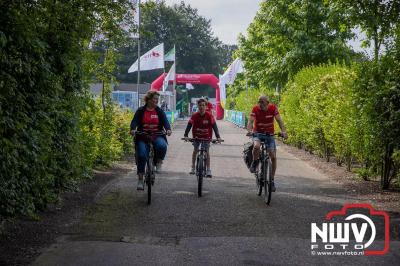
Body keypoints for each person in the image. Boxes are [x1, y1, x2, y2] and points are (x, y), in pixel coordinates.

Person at [130, 91, 172, 190]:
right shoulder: (141, 110)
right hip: (143, 136)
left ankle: (158, 163)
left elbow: (165, 121)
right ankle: (140, 180)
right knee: (141, 155)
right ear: (148, 99)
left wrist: (168, 129)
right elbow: (134, 121)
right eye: (154, 99)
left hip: (157, 135)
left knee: (162, 146)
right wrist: (133, 129)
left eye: (157, 99)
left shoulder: (159, 111)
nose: (156, 101)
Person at [247, 95, 287, 192]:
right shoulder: (255, 109)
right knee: (256, 146)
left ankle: (272, 180)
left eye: (262, 102)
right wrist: (249, 130)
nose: (260, 104)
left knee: (273, 156)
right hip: (258, 134)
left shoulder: (273, 108)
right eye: (259, 102)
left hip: (270, 135)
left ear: (267, 103)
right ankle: (255, 162)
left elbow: (279, 120)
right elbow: (250, 121)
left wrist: (284, 131)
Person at [184, 98, 222, 177]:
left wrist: (218, 137)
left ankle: (208, 170)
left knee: (207, 151)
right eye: (200, 105)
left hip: (206, 137)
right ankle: (193, 167)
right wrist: (186, 135)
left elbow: (214, 126)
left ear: (206, 106)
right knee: (195, 150)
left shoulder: (209, 116)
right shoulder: (194, 116)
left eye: (203, 105)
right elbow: (189, 125)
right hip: (196, 136)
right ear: (198, 106)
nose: (201, 107)